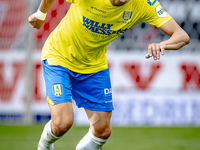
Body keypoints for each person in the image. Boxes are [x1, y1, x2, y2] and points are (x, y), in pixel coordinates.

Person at [28, 0, 190, 149]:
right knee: (62, 123)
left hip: (94, 67)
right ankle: (44, 145)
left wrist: (163, 44)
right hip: (59, 57)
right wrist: (41, 15)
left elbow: (182, 36)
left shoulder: (144, 4)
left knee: (102, 131)